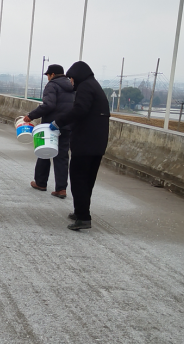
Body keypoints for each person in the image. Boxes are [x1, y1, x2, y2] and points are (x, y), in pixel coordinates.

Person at [53, 61, 111, 231]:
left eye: (71, 78)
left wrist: (58, 122)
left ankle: (83, 217)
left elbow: (79, 110)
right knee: (87, 180)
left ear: (76, 75)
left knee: (78, 179)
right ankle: (81, 211)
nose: (71, 82)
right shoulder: (95, 85)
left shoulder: (85, 87)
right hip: (97, 144)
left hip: (85, 143)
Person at [23, 64, 74, 198]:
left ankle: (41, 182)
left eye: (48, 75)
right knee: (62, 157)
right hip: (67, 125)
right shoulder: (72, 86)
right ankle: (61, 189)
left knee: (44, 151)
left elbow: (49, 105)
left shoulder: (52, 85)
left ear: (52, 75)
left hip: (50, 126)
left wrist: (31, 115)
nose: (47, 78)